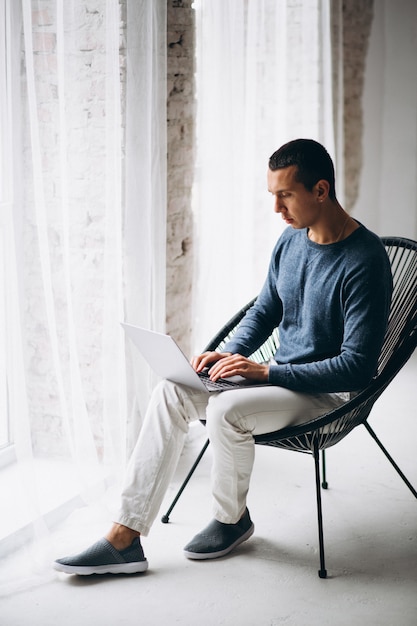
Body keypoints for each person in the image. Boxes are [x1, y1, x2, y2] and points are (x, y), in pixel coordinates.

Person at [54, 138, 393, 575]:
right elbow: (265, 311)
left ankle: (231, 521)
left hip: (327, 393)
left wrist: (267, 370)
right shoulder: (290, 242)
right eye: (273, 195)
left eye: (285, 195)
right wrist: (229, 355)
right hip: (278, 381)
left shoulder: (364, 260)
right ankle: (125, 537)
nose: (277, 208)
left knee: (227, 411)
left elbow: (358, 366)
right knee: (172, 390)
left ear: (321, 191)